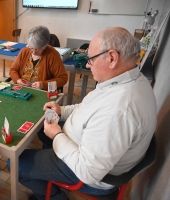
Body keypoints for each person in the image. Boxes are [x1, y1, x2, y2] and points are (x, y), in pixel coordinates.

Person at [11, 27, 157, 200]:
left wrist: (57, 136)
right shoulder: (126, 80)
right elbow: (87, 107)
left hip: (86, 175)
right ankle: (49, 160)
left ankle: (55, 196)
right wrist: (62, 110)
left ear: (112, 58)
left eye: (90, 59)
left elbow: (87, 171)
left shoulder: (119, 110)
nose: (87, 65)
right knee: (43, 130)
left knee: (14, 164)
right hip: (81, 144)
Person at [9, 26, 68, 90]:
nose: (33, 52)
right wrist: (18, 80)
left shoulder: (53, 55)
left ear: (44, 46)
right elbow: (13, 70)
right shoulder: (24, 51)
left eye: (36, 49)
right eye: (31, 47)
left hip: (42, 92)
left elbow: (63, 79)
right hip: (22, 89)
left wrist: (44, 85)